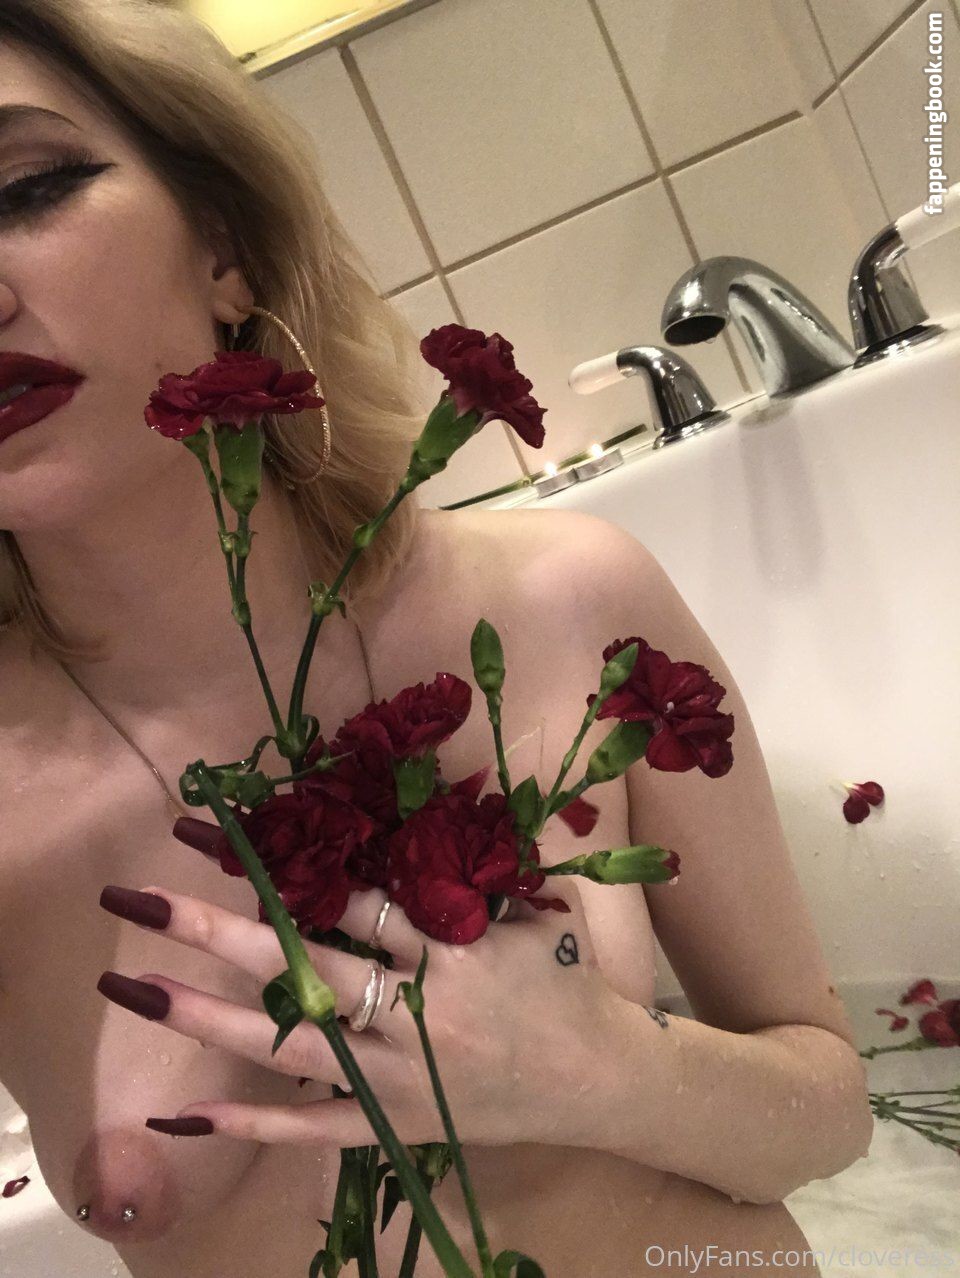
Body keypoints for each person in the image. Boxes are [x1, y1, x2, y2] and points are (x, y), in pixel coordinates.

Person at [0, 3, 874, 1275]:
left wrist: (605, 1070)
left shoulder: (567, 600)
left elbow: (831, 1118)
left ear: (225, 244)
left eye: (24, 191)